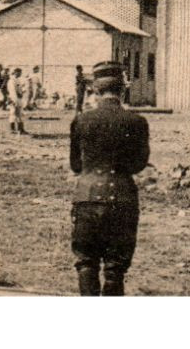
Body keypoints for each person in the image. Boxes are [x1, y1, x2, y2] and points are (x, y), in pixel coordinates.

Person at [68, 60, 150, 296]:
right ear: (122, 89)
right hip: (122, 197)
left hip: (86, 196)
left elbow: (75, 165)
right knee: (115, 268)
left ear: (95, 89)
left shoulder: (81, 120)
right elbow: (139, 164)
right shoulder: (137, 122)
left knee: (86, 262)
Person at [7, 67, 28, 135]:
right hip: (13, 99)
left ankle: (20, 129)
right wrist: (14, 100)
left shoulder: (17, 80)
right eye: (19, 72)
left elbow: (19, 90)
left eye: (20, 73)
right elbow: (12, 91)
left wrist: (22, 91)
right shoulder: (11, 81)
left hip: (18, 99)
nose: (20, 74)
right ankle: (12, 129)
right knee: (13, 113)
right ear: (15, 72)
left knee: (20, 114)